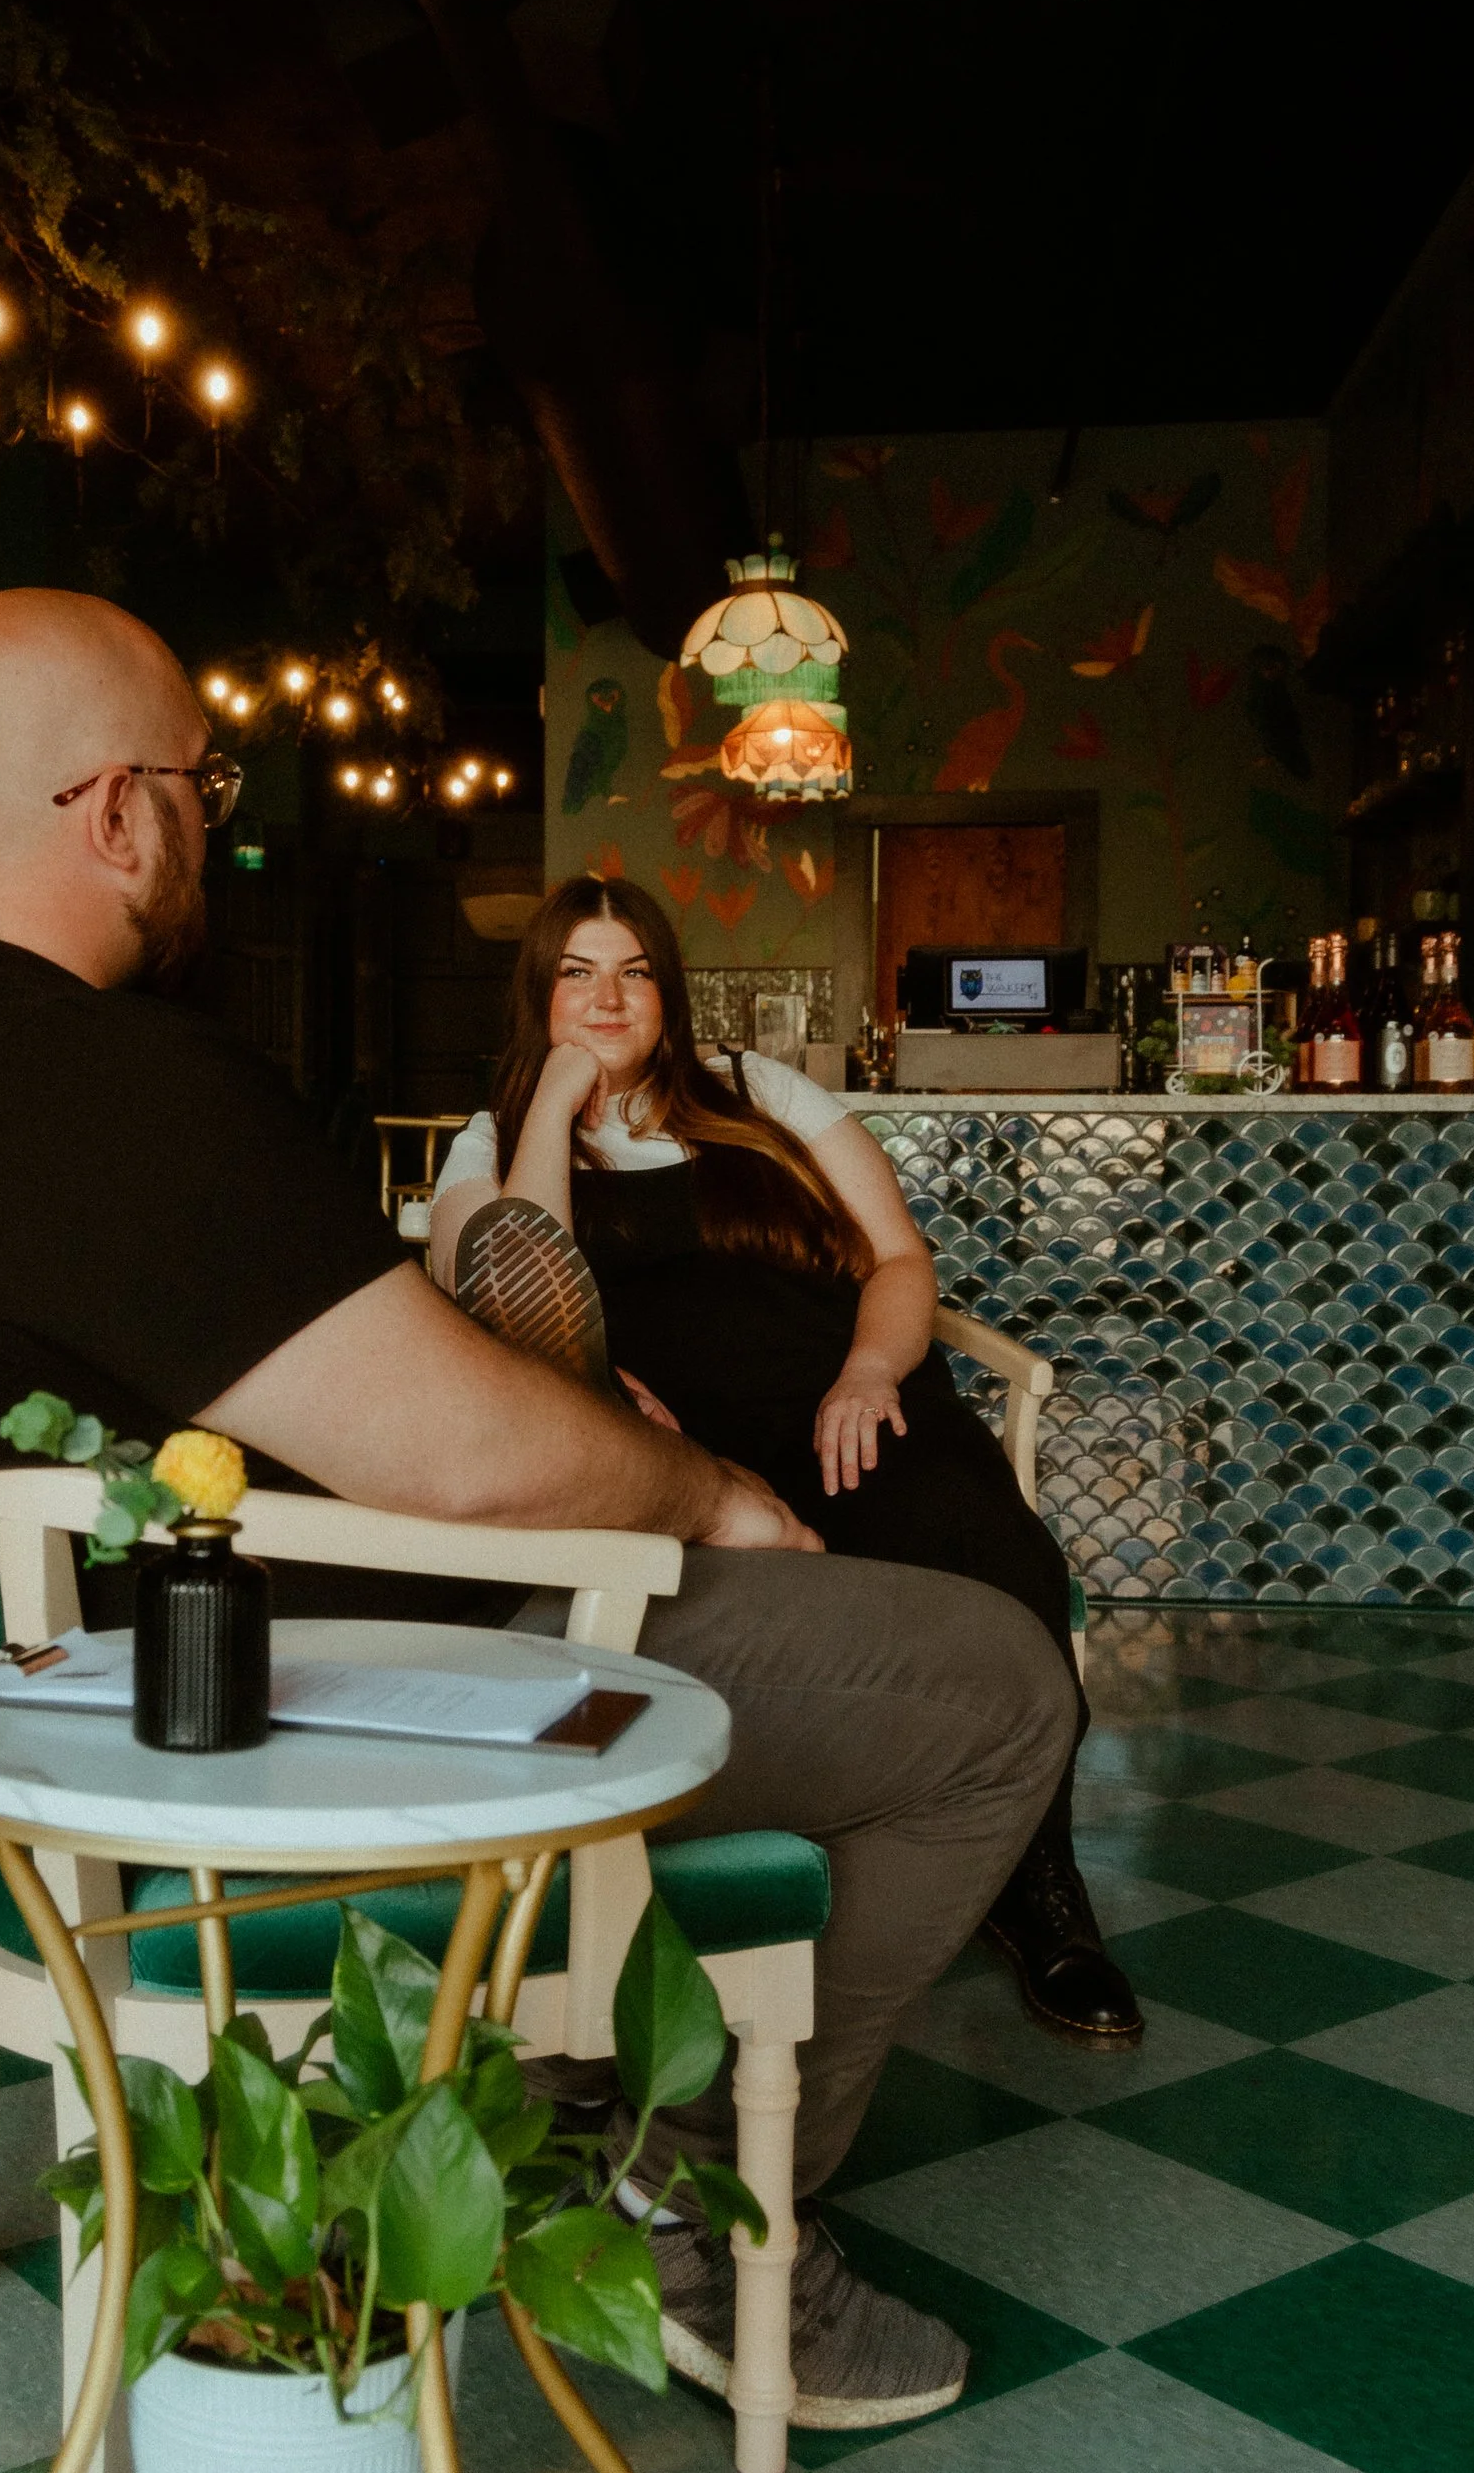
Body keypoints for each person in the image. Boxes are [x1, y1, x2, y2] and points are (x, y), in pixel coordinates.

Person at [0, 588, 1077, 2434]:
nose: (210, 830)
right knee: (996, 1685)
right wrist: (707, 1487)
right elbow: (466, 1464)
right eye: (206, 788)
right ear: (119, 810)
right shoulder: (95, 1076)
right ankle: (695, 2210)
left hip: (87, 1734)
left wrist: (524, 1407)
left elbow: (322, 1381)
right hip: (312, 1718)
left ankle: (588, 2093)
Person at [431, 876, 1137, 2047]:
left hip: (841, 1411)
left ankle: (1039, 1882)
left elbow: (898, 1260)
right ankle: (821, 1853)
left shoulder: (757, 1089)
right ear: (536, 995)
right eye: (576, 975)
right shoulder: (493, 1143)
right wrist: (554, 1099)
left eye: (634, 972)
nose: (608, 1000)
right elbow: (514, 1300)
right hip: (683, 1461)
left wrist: (868, 1371)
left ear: (669, 991)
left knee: (984, 1550)